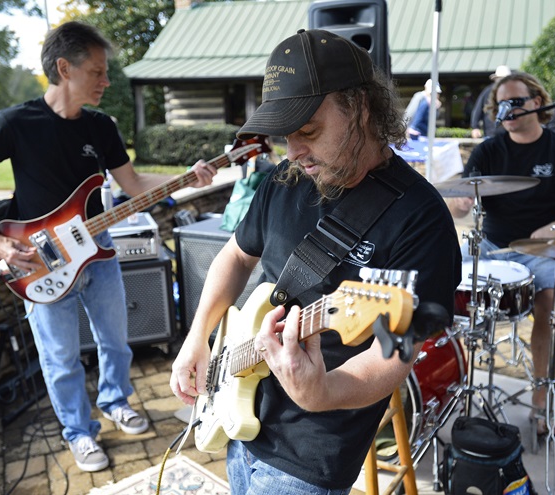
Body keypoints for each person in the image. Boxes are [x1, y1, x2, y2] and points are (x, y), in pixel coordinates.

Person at [169, 29, 461, 493]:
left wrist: (323, 392)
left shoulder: (420, 220)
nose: (294, 152)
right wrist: (198, 337)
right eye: (285, 136)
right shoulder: (282, 182)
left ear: (362, 107)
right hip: (238, 415)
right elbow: (236, 255)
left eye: (308, 131)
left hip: (312, 454)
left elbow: (394, 356)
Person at [0, 21, 217, 473]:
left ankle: (116, 402)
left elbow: (132, 184)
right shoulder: (15, 122)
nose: (106, 80)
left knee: (116, 343)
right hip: (39, 259)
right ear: (64, 68)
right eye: (96, 71)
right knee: (60, 359)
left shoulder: (101, 126)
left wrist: (188, 178)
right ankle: (78, 432)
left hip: (98, 248)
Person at [447, 72, 555, 435]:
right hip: (492, 248)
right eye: (501, 104)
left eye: (516, 101)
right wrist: (458, 203)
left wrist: (554, 230)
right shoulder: (488, 150)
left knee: (549, 308)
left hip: (542, 250)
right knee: (442, 292)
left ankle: (541, 401)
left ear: (537, 102)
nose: (508, 110)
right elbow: (460, 205)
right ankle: (446, 388)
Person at [470, 65, 511, 139]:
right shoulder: (488, 91)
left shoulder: (514, 92)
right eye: (500, 79)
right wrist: (475, 127)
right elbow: (478, 109)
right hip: (491, 134)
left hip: (509, 134)